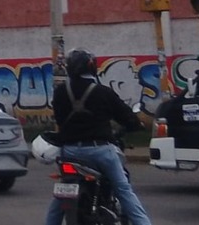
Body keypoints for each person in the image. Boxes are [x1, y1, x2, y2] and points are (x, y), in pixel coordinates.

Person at [44, 48, 152, 225]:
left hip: (70, 152)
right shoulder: (103, 92)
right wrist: (136, 124)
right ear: (91, 66)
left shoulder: (60, 92)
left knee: (60, 195)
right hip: (100, 150)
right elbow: (125, 116)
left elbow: (60, 118)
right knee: (123, 189)